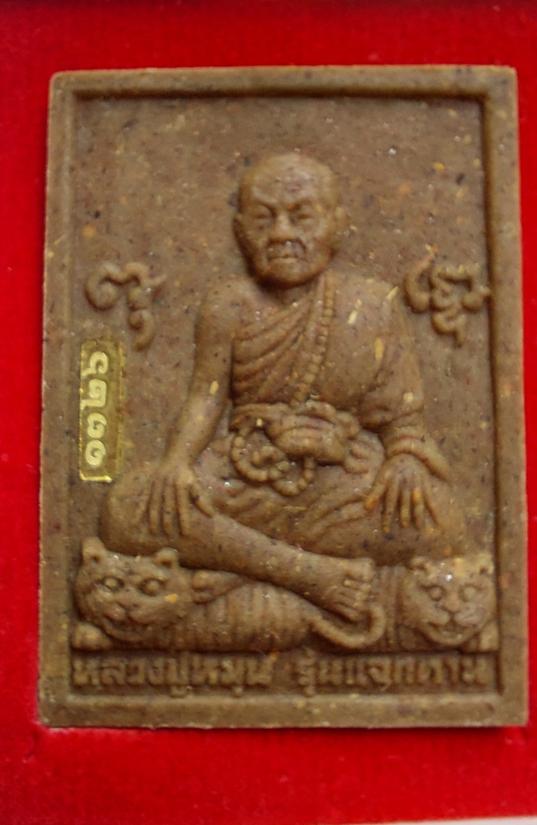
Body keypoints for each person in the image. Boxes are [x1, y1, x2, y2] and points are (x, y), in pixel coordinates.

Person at [101, 153, 466, 621]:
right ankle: (310, 574)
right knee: (130, 506)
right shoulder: (229, 304)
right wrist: (177, 462)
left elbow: (402, 417)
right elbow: (206, 397)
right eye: (263, 219)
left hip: (342, 478)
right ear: (240, 232)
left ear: (338, 226)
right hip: (246, 471)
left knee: (443, 520)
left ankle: (241, 562)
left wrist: (405, 460)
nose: (281, 234)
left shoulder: (373, 304)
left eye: (301, 217)